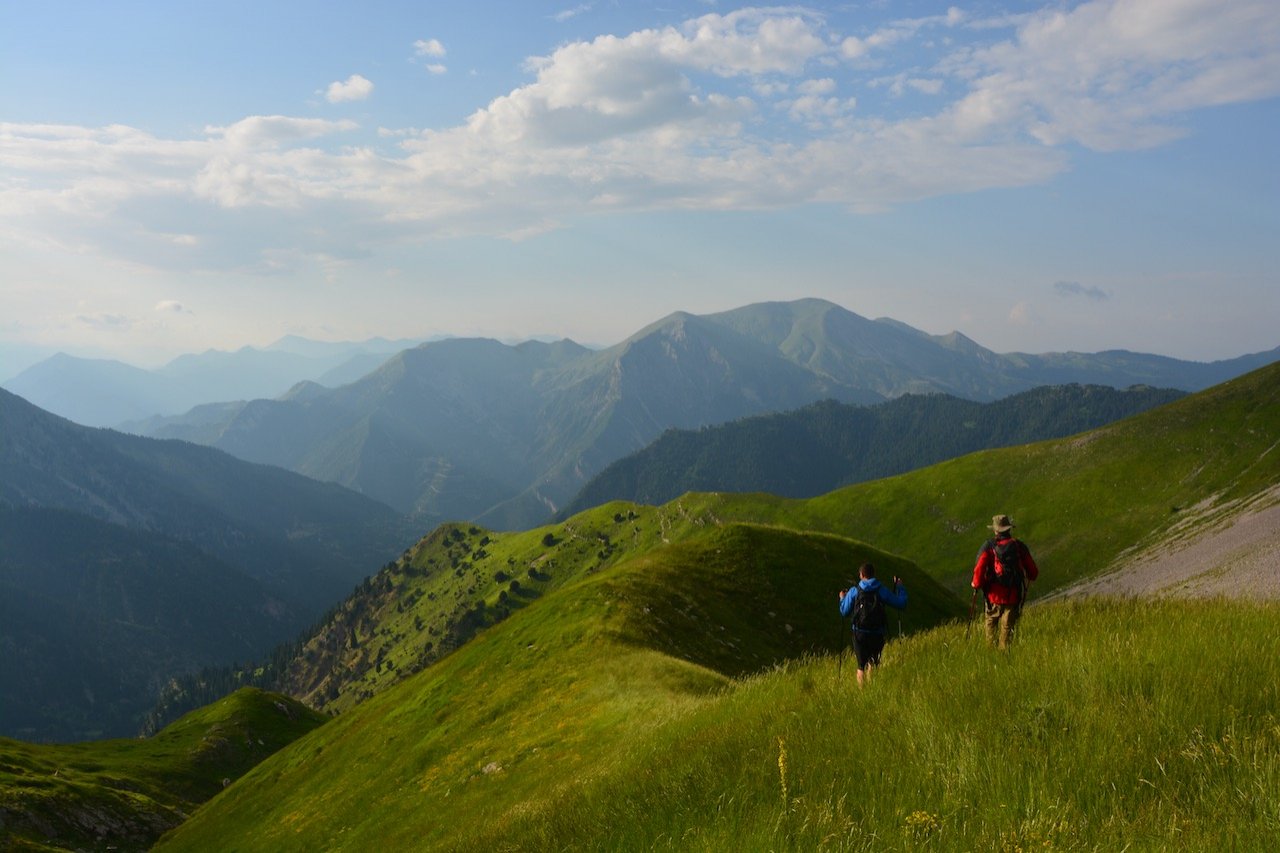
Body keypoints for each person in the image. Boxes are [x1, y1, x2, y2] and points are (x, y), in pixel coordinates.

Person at [971, 514, 1040, 650]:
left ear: (995, 530)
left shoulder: (988, 547)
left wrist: (976, 584)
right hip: (1012, 597)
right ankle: (1004, 658)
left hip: (993, 598)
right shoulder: (1018, 546)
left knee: (990, 631)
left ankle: (991, 657)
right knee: (1007, 634)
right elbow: (1033, 572)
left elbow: (979, 568)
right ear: (1009, 529)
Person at [837, 562, 907, 687]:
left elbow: (844, 612)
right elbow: (900, 603)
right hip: (877, 632)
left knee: (861, 665)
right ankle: (873, 689)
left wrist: (842, 598)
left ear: (862, 574)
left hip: (859, 633)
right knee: (873, 663)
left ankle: (862, 693)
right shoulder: (881, 590)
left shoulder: (855, 591)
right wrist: (900, 587)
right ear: (873, 574)